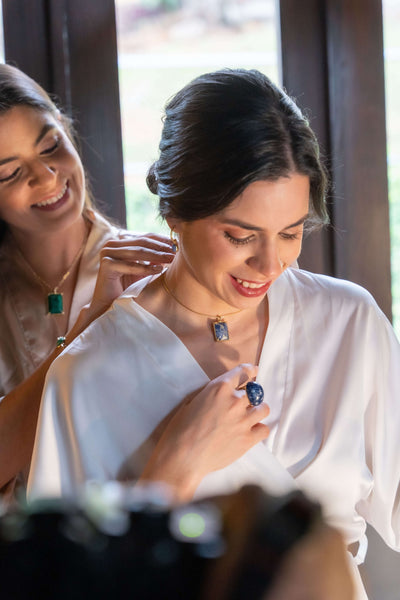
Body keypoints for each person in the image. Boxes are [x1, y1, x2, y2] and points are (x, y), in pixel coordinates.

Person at [27, 69, 400, 598]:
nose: (270, 263)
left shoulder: (349, 321)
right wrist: (173, 470)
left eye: (291, 233)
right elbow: (63, 582)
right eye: (239, 235)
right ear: (175, 211)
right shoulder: (89, 372)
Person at [0, 64, 176, 501]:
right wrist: (87, 327)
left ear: (65, 127)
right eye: (8, 172)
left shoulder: (147, 271)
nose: (45, 177)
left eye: (50, 146)